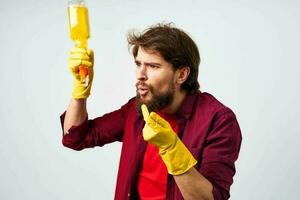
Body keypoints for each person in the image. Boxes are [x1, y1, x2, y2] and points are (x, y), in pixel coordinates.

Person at [60, 23, 242, 200]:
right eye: (138, 64)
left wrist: (172, 149)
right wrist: (79, 91)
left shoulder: (218, 120)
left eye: (153, 66)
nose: (141, 74)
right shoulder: (137, 110)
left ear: (181, 75)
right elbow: (75, 137)